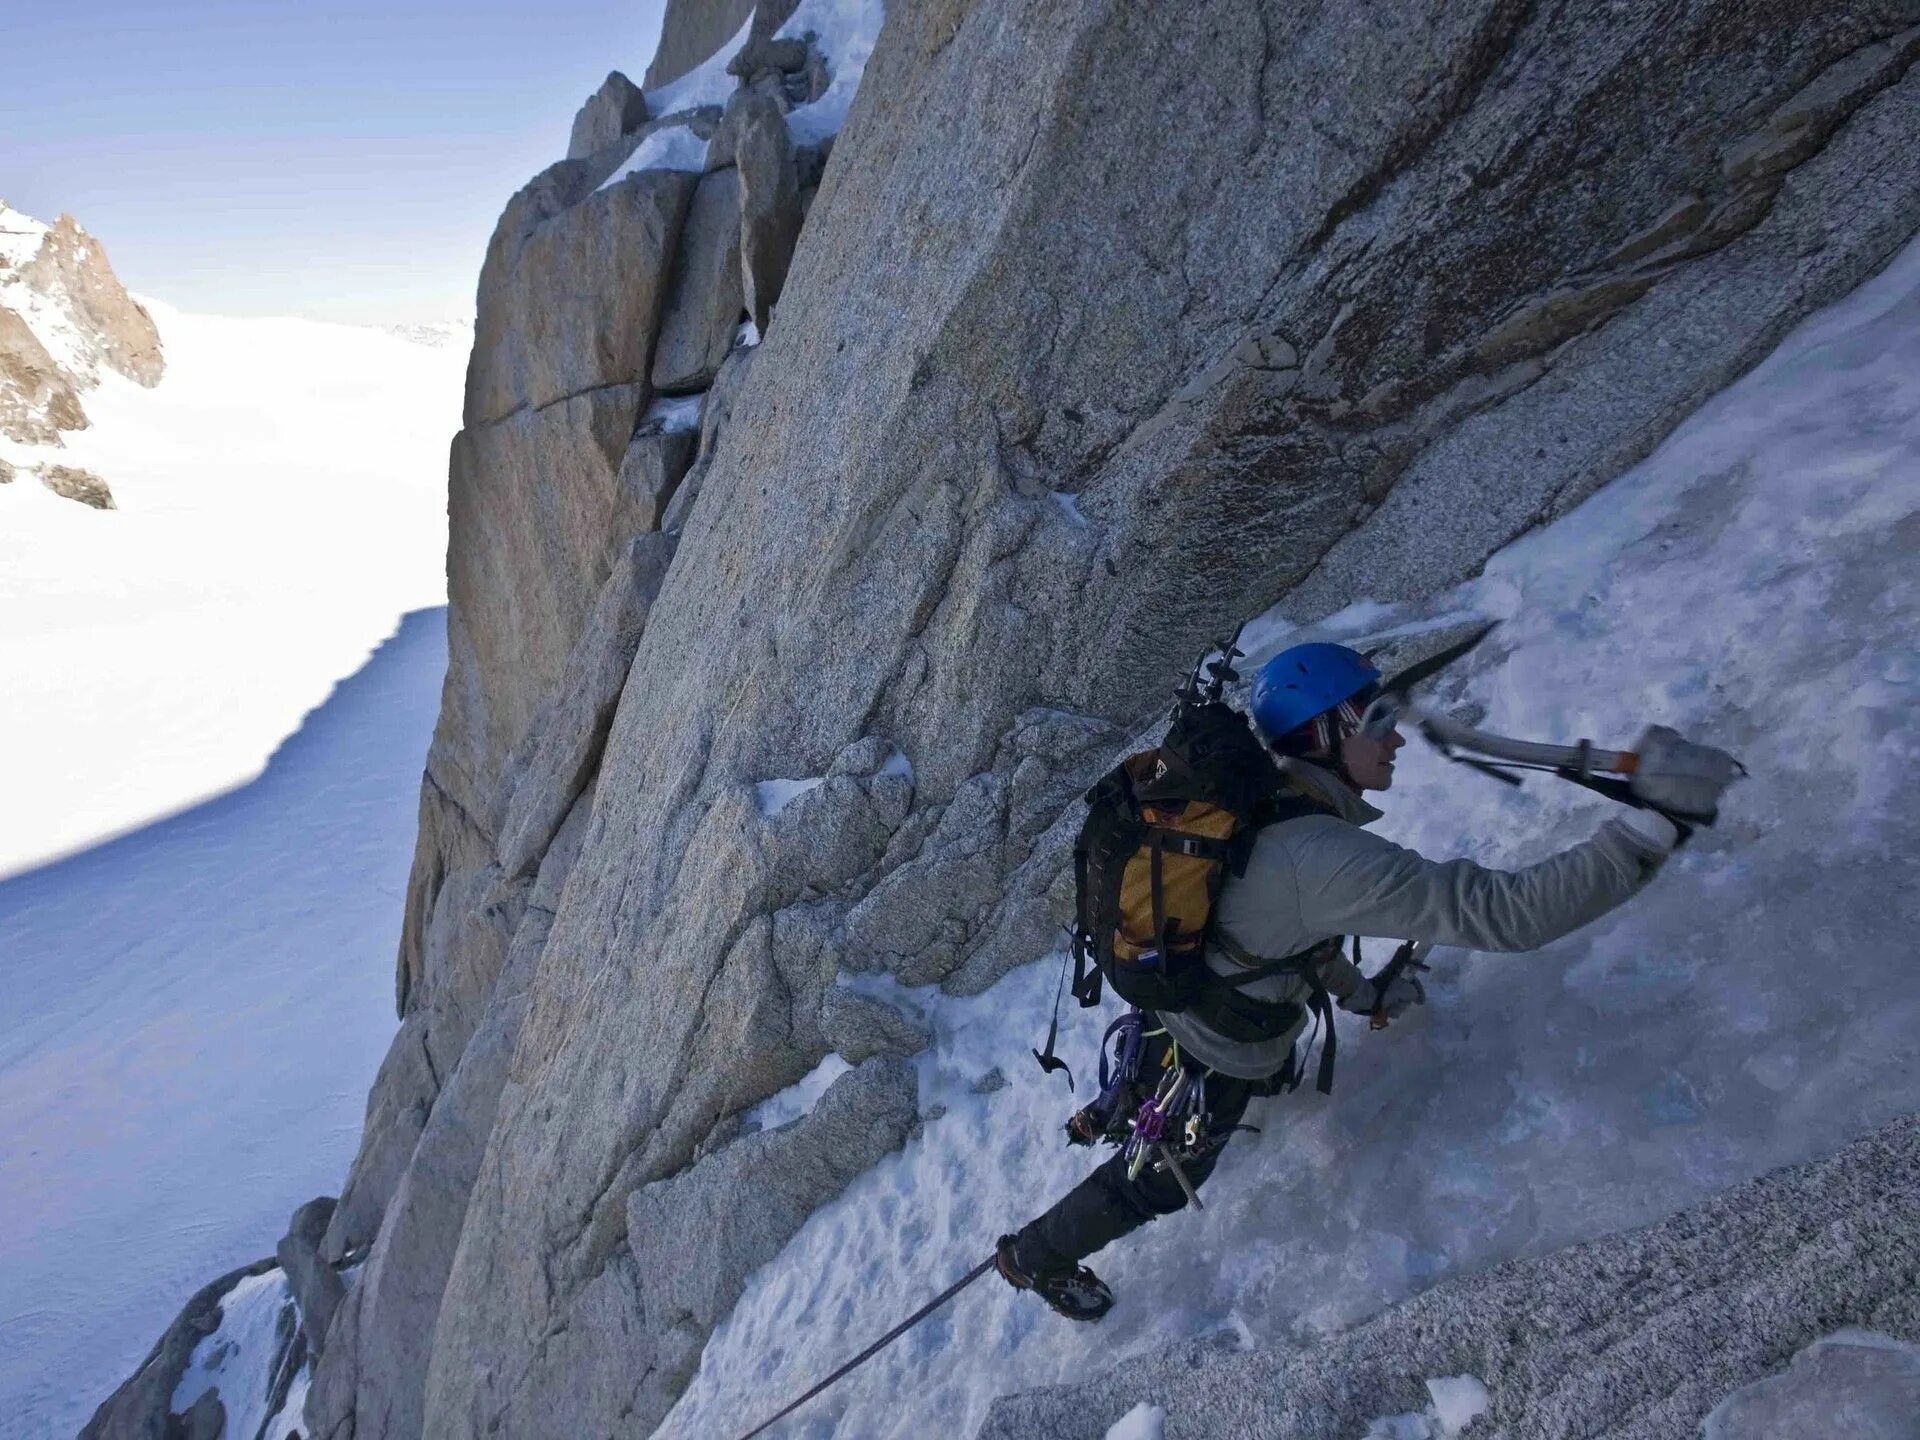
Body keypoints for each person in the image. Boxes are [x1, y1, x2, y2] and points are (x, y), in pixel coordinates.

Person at [995, 641, 1720, 1321]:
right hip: (1220, 1047)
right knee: (1155, 1182)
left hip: (1181, 999)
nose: (1395, 738)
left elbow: (1289, 933)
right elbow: (1503, 914)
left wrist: (1360, 994)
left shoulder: (1268, 800)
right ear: (1325, 732)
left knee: (1159, 1093)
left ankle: (1121, 1104)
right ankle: (1035, 1258)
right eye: (1375, 721)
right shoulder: (1320, 853)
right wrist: (1652, 831)